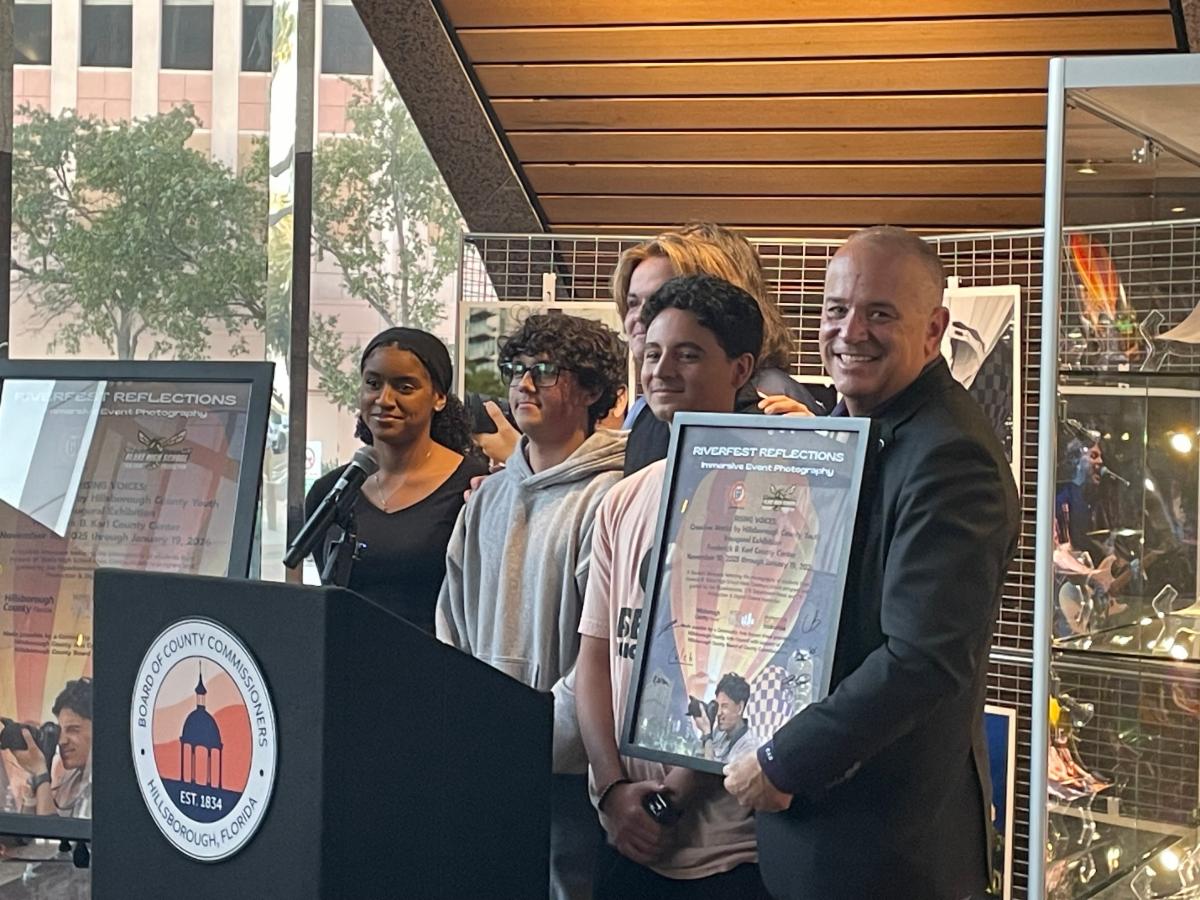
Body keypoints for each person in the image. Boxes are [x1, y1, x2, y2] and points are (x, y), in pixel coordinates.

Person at [723, 226, 1021, 900]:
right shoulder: (848, 427)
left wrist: (783, 760)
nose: (850, 332)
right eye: (837, 309)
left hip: (885, 851)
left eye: (880, 313)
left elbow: (922, 659)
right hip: (825, 838)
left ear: (934, 329)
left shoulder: (950, 456)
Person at [577, 274, 770, 899]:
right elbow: (595, 656)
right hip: (621, 830)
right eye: (653, 352)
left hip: (725, 845)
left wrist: (671, 799)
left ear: (740, 368)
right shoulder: (623, 499)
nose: (662, 370)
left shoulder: (773, 494)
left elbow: (755, 668)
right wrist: (613, 790)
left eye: (688, 354)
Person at [436, 313, 629, 900]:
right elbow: (451, 626)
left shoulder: (611, 496)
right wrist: (469, 728)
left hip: (568, 766)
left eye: (545, 371)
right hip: (486, 757)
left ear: (591, 389)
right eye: (515, 369)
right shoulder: (486, 497)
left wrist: (536, 739)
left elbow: (605, 652)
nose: (523, 384)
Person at [305, 327, 486, 633]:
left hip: (439, 660)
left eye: (404, 387)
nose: (384, 399)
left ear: (439, 397)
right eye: (373, 384)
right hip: (347, 659)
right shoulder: (330, 493)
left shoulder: (473, 488)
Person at [612, 223, 824, 475]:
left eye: (664, 296)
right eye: (633, 302)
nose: (642, 316)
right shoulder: (648, 419)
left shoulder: (771, 408)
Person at [8, 678, 93, 818]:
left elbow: (50, 830)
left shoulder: (108, 782)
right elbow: (28, 829)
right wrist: (34, 781)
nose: (61, 741)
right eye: (60, 731)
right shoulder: (69, 781)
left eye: (73, 729)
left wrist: (41, 773)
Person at [691, 674, 758, 764]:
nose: (718, 713)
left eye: (724, 706)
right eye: (718, 706)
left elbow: (708, 770)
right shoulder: (719, 732)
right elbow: (697, 760)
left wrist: (707, 735)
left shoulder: (749, 748)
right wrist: (705, 732)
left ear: (740, 708)